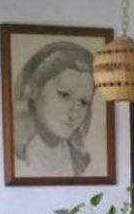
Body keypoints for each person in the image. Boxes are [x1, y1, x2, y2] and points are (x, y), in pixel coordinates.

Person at [13, 41, 96, 177]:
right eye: (64, 95)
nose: (74, 113)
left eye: (83, 102)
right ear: (34, 90)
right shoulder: (19, 157)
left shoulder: (80, 161)